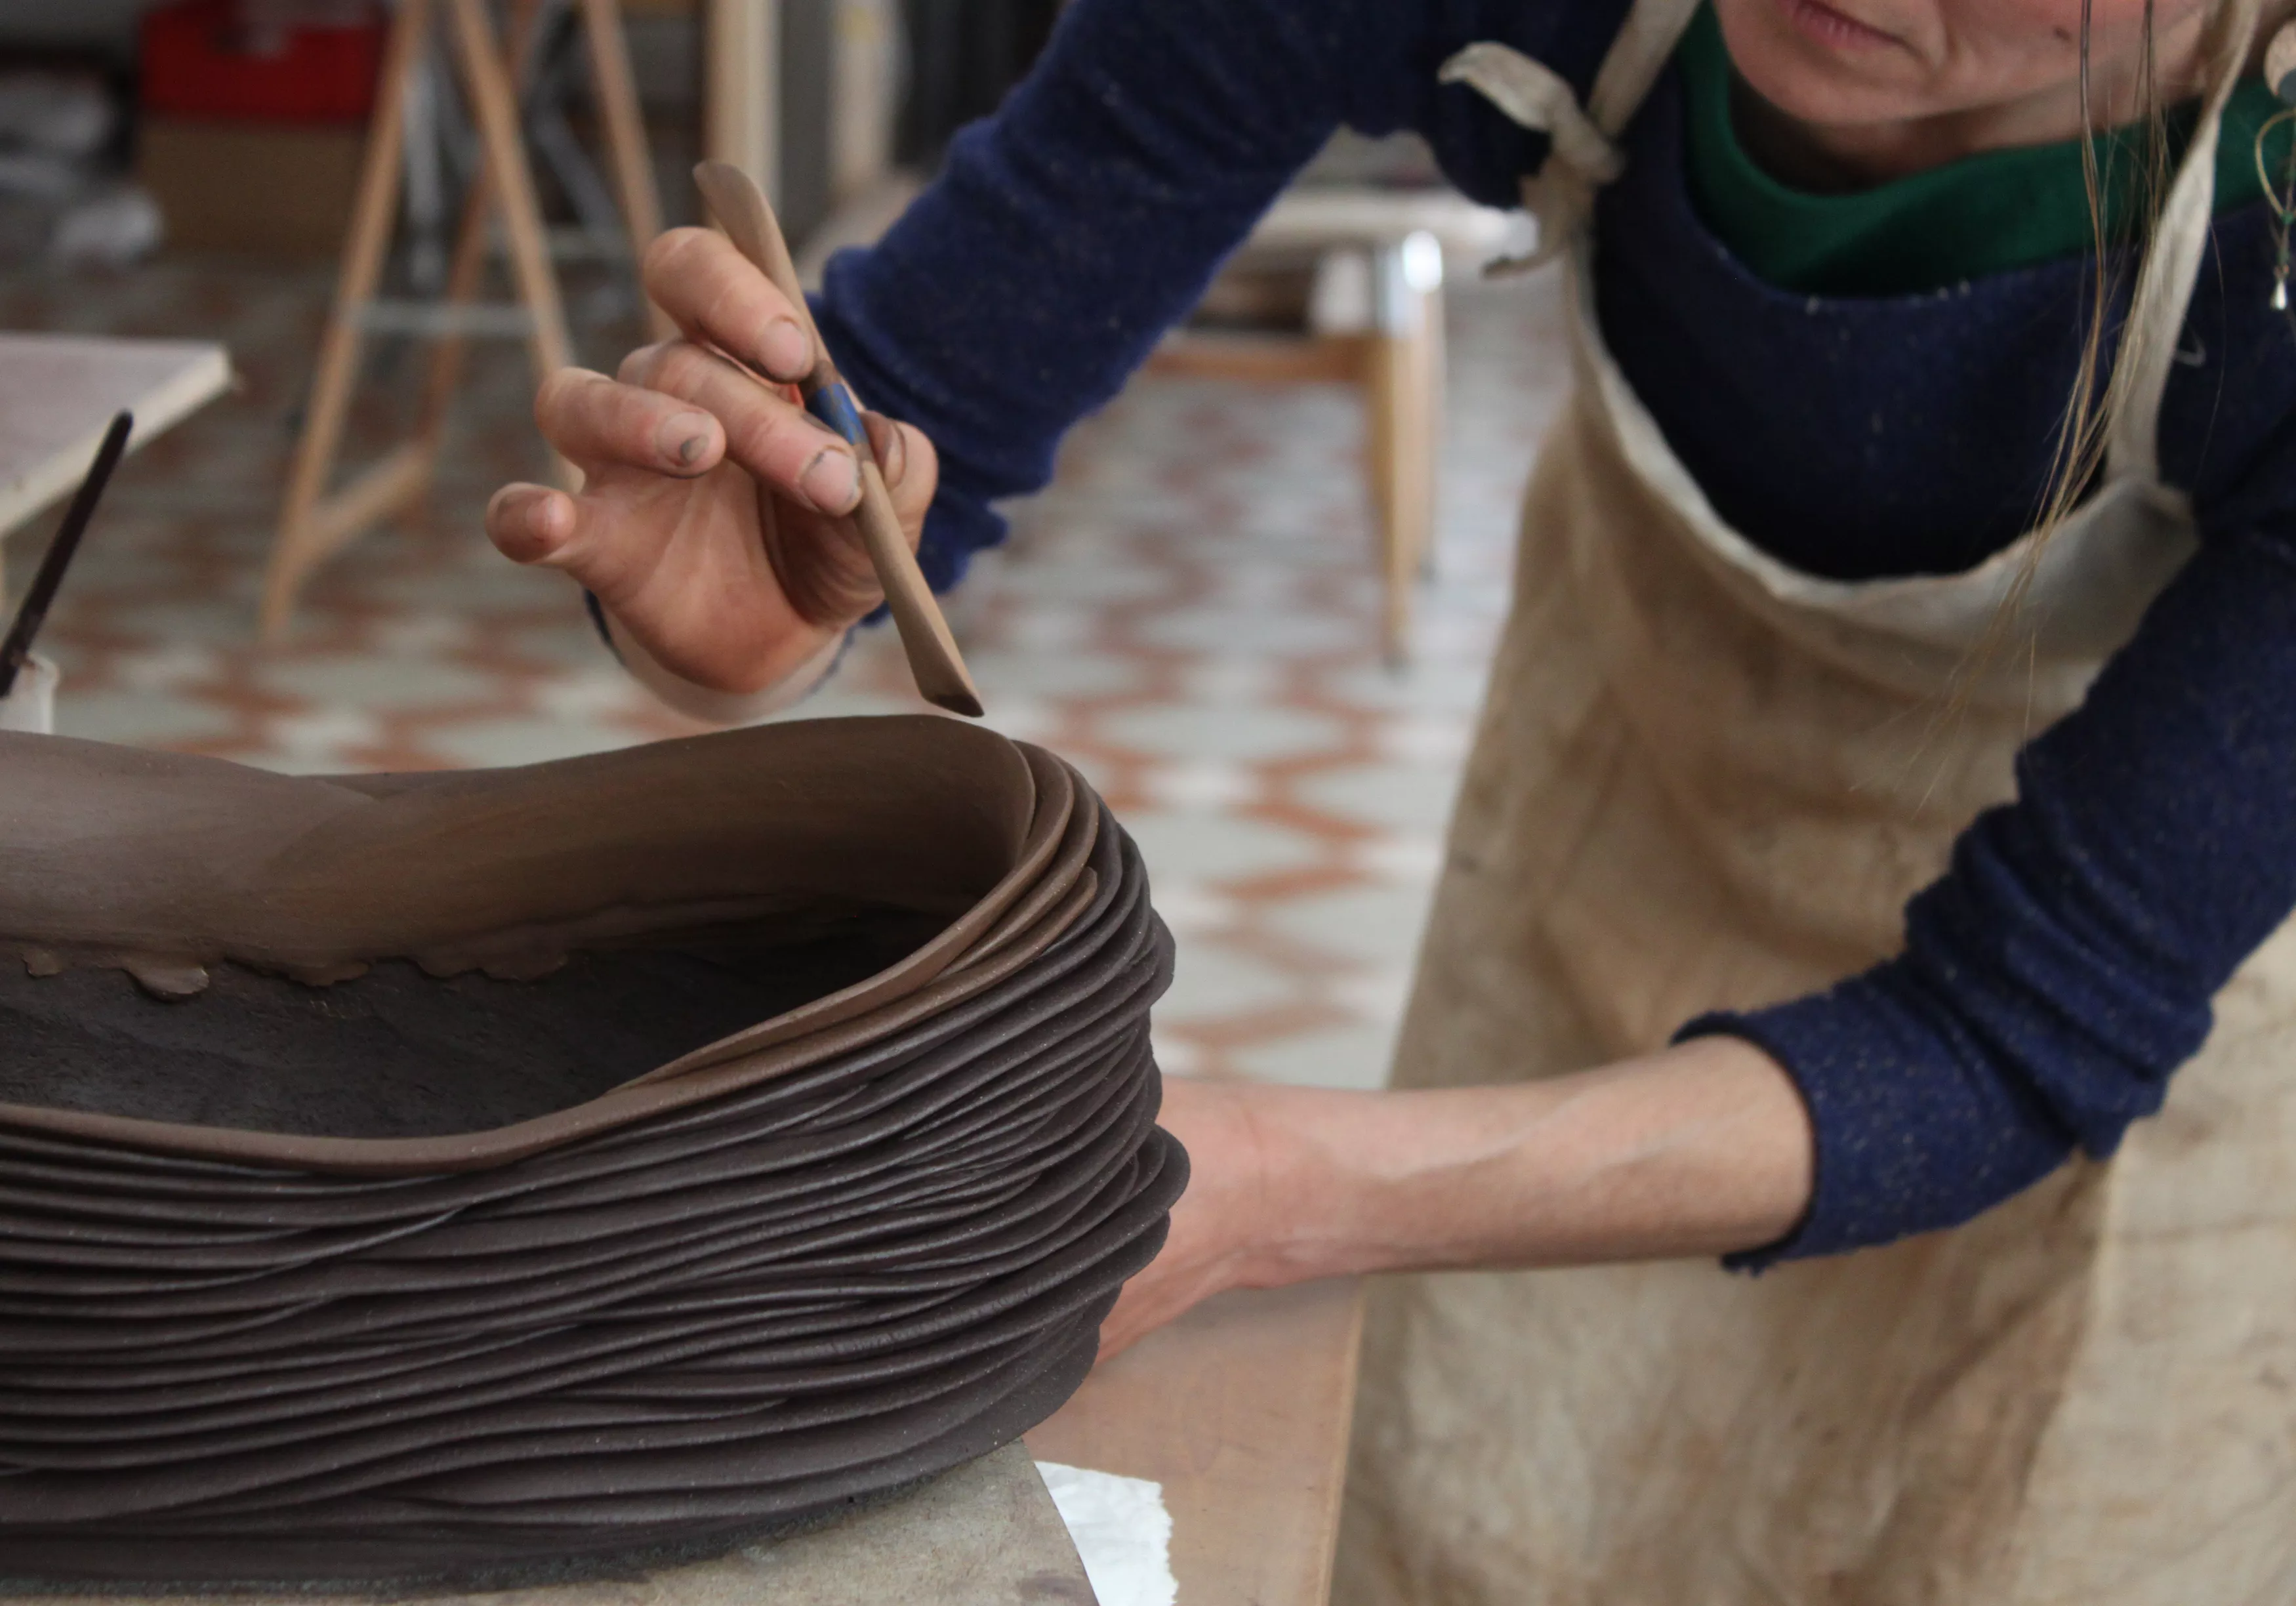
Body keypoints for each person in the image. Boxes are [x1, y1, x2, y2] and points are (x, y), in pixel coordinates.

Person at [483, 0, 2296, 1597]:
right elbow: (905, 419)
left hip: (2103, 1063)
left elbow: (2006, 1039)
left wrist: (1279, 1189)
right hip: (1616, 881)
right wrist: (771, 595)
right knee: (1495, 1506)